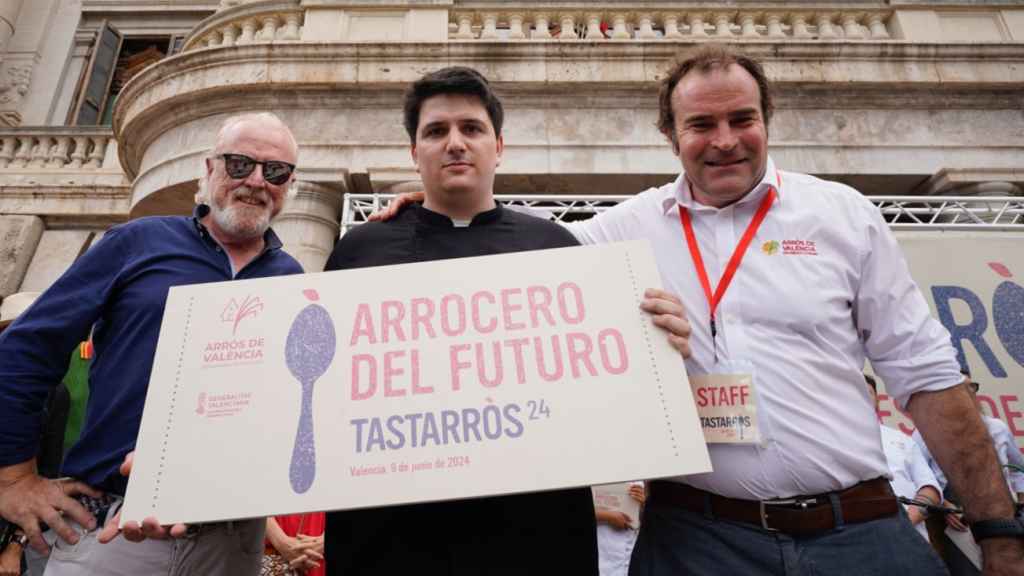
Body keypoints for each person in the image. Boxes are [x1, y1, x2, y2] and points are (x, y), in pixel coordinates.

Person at [374, 46, 1023, 575]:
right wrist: (432, 209)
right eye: (701, 125)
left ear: (768, 118)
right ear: (670, 134)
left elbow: (928, 378)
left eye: (742, 119)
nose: (724, 142)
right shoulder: (622, 231)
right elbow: (509, 273)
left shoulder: (841, 216)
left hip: (858, 533)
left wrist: (999, 533)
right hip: (697, 541)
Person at [322, 66, 691, 576]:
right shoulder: (359, 251)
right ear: (414, 153)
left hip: (535, 538)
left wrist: (659, 336)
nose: (455, 143)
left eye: (471, 129)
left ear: (498, 146)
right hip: (388, 541)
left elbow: (606, 381)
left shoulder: (558, 248)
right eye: (436, 131)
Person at [0, 112, 304, 575]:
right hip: (113, 533)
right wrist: (13, 479)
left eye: (275, 171)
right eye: (240, 164)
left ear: (288, 184)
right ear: (209, 169)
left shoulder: (291, 278)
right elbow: (27, 349)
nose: (257, 181)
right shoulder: (138, 242)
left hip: (230, 541)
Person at [914, 373, 1024, 528]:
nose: (967, 392)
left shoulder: (997, 428)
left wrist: (1021, 506)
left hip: (1001, 515)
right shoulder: (925, 430)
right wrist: (943, 505)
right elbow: (916, 475)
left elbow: (1019, 471)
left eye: (971, 387)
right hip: (949, 519)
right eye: (959, 388)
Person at [866, 374, 942, 542]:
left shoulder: (903, 440)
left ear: (877, 401)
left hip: (912, 540)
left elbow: (930, 490)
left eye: (868, 392)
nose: (862, 398)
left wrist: (904, 525)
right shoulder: (830, 443)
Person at [595, 482, 645, 576]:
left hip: (631, 548)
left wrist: (643, 503)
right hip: (603, 546)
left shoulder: (643, 473)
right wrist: (607, 516)